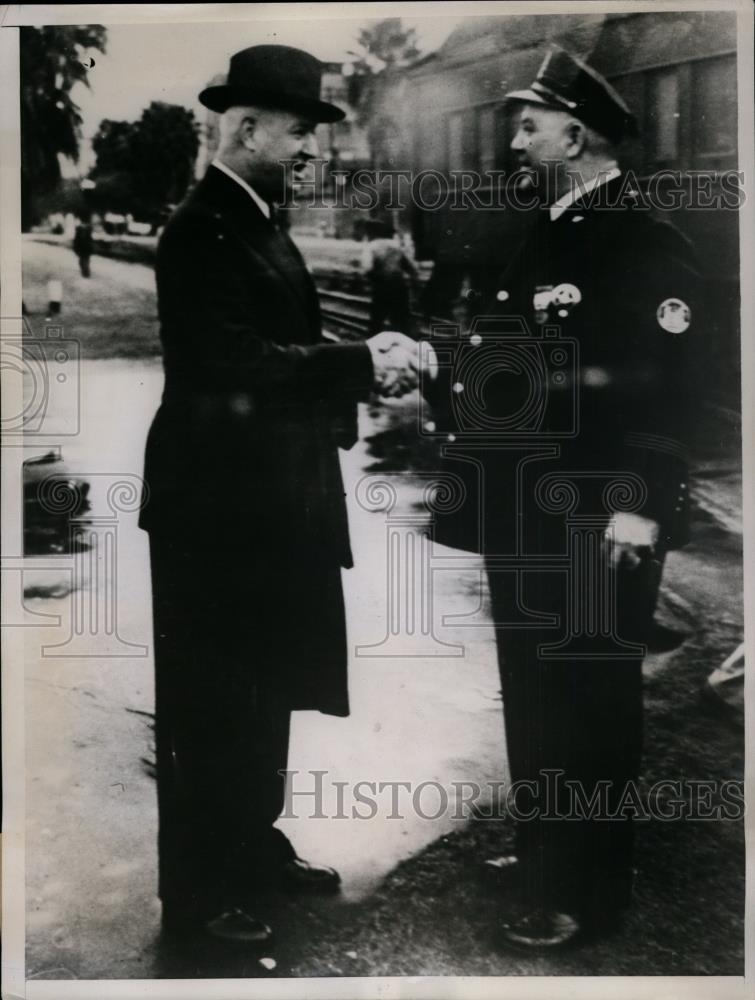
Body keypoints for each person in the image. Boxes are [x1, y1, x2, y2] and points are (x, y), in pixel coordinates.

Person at [138, 44, 418, 945]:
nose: (309, 150)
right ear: (247, 127)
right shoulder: (199, 230)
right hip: (214, 510)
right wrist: (360, 362)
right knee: (210, 699)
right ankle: (197, 891)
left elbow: (287, 351)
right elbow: (232, 364)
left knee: (263, 688)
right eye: (300, 132)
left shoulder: (258, 220)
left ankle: (250, 845)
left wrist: (356, 380)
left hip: (271, 497)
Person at [424, 46, 702, 949]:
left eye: (529, 125)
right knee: (534, 688)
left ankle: (586, 891)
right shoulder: (547, 229)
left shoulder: (641, 239)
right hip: (526, 511)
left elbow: (671, 390)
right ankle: (546, 849)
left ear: (574, 137)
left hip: (595, 514)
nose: (514, 141)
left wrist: (642, 504)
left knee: (588, 698)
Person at [364, 221, 418, 337]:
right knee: (401, 322)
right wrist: (414, 286)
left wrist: (373, 281)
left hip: (381, 287)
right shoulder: (397, 246)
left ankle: (373, 342)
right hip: (399, 286)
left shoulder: (372, 246)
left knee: (377, 321)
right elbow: (412, 269)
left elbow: (368, 268)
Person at [72, 212, 93, 277]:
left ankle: (85, 271)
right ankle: (86, 270)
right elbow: (90, 238)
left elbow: (76, 238)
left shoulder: (78, 228)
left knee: (82, 258)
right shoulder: (89, 228)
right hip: (87, 245)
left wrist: (75, 246)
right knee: (86, 258)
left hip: (81, 246)